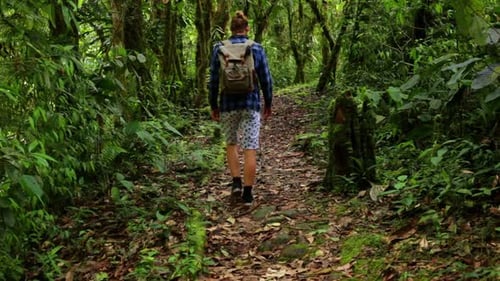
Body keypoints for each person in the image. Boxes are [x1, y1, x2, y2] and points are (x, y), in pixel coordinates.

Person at [209, 11, 273, 205]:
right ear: (247, 29)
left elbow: (213, 80)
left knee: (231, 143)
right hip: (250, 103)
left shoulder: (219, 49)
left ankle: (236, 182)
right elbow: (266, 79)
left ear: (231, 29)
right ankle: (247, 194)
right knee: (250, 146)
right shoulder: (256, 48)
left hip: (227, 103)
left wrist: (213, 105)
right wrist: (268, 103)